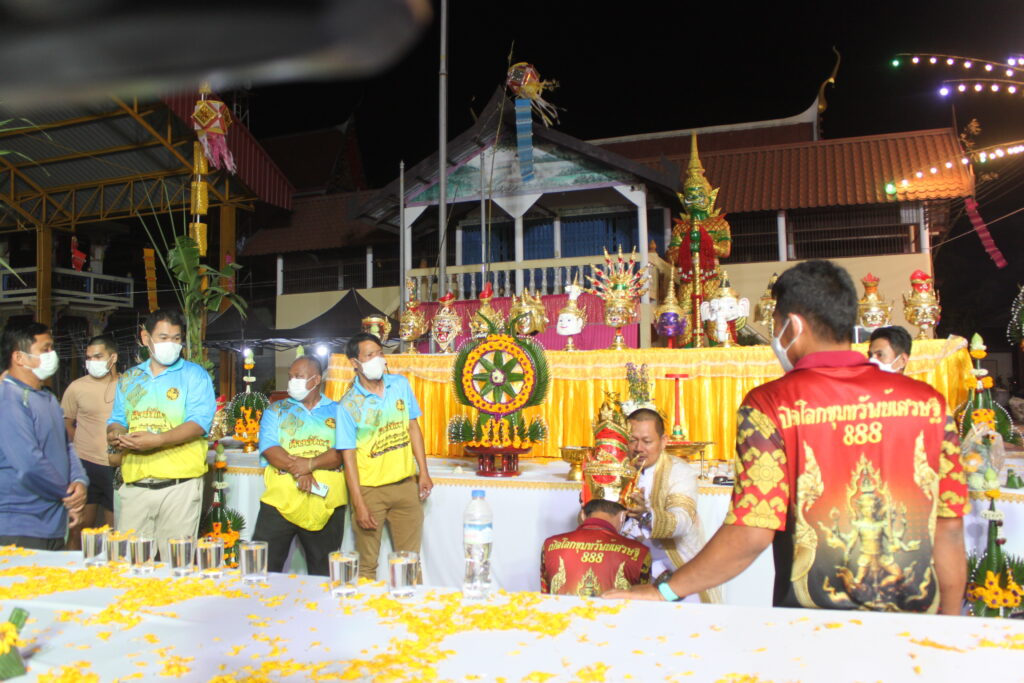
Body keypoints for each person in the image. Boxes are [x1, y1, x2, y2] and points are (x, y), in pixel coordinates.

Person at [605, 260, 969, 615]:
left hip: (815, 622)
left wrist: (663, 591)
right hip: (914, 621)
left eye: (775, 324)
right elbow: (950, 530)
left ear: (793, 325)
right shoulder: (928, 404)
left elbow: (752, 532)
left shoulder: (771, 405)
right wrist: (952, 628)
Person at [106, 309, 216, 561]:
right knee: (130, 564)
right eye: (164, 337)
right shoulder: (130, 378)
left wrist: (158, 440)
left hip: (179, 486)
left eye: (176, 338)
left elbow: (199, 423)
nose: (171, 344)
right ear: (146, 338)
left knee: (176, 565)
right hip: (135, 486)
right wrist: (115, 433)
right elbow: (118, 419)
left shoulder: (194, 375)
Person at [336, 332, 432, 579]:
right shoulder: (348, 405)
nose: (377, 359)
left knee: (410, 562)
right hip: (370, 491)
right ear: (355, 362)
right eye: (370, 355)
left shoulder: (399, 385)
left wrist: (423, 472)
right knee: (367, 565)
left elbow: (413, 428)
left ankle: (410, 603)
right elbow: (348, 457)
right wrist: (359, 503)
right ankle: (366, 605)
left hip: (405, 486)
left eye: (380, 353)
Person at [252, 355, 347, 575]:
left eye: (299, 376)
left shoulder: (339, 411)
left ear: (316, 379)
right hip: (280, 502)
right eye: (290, 376)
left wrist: (309, 464)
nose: (292, 381)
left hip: (327, 503)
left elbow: (342, 452)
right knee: (262, 568)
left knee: (324, 574)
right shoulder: (275, 410)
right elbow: (270, 448)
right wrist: (301, 471)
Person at [0, 322, 88, 549]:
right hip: (20, 525)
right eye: (45, 349)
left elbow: (66, 446)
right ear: (19, 357)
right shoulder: (8, 397)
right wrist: (68, 496)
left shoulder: (47, 398)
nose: (52, 355)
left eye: (52, 348)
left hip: (54, 522)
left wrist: (79, 482)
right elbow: (29, 463)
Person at [621, 408, 719, 603]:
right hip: (624, 562)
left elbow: (682, 521)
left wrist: (646, 516)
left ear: (663, 441)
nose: (639, 448)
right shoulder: (617, 469)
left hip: (672, 564)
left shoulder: (679, 472)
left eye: (647, 441)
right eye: (632, 440)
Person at [541, 445, 651, 595]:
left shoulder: (550, 546)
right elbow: (642, 603)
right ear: (622, 516)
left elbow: (546, 597)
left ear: (582, 515)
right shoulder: (639, 553)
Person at [62, 334, 119, 549]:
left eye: (98, 357)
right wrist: (78, 453)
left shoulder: (128, 386)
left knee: (115, 531)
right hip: (85, 466)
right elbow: (67, 424)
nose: (92, 362)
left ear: (113, 358)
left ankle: (112, 567)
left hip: (116, 466)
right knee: (79, 526)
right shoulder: (76, 387)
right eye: (89, 358)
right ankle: (74, 565)